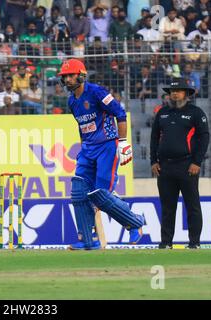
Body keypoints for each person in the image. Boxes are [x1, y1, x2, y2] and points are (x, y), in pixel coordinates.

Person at [58, 59, 145, 250]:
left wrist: (122, 143)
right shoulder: (72, 101)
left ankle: (135, 222)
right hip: (88, 149)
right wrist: (83, 147)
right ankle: (88, 240)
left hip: (107, 146)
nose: (67, 79)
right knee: (78, 192)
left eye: (70, 75)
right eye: (64, 77)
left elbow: (120, 113)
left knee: (100, 195)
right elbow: (83, 127)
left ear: (81, 75)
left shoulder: (96, 92)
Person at [150, 78, 210, 249]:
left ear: (187, 93)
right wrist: (153, 161)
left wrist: (197, 161)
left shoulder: (196, 113)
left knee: (192, 206)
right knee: (167, 207)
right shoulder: (162, 113)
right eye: (171, 91)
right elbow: (154, 138)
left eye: (178, 90)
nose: (174, 94)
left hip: (187, 166)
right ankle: (166, 243)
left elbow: (204, 138)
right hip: (165, 167)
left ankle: (194, 243)